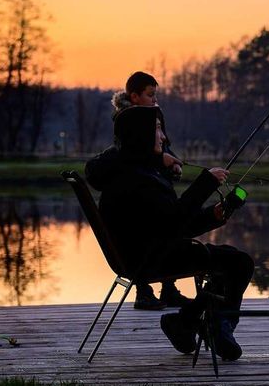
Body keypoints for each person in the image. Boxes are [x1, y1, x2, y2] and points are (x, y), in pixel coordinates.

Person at [97, 105, 254, 361]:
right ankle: (214, 326)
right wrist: (206, 182)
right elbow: (174, 221)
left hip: (151, 253)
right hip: (153, 258)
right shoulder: (135, 179)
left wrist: (211, 216)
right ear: (141, 134)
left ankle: (190, 322)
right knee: (239, 263)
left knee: (230, 258)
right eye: (157, 129)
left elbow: (172, 223)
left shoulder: (134, 172)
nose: (163, 137)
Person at [86, 71, 186, 310]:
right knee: (150, 223)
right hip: (137, 198)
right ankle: (144, 290)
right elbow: (133, 156)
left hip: (153, 187)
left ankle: (168, 289)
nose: (154, 100)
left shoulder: (153, 115)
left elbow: (162, 145)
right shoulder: (128, 121)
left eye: (155, 95)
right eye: (150, 95)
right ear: (134, 95)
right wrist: (161, 160)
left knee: (168, 216)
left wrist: (172, 163)